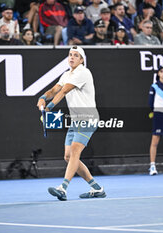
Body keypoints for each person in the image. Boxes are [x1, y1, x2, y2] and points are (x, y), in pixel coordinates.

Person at [36, 46, 106, 201]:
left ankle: (63, 188)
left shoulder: (83, 72)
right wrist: (42, 97)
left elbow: (64, 91)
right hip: (75, 120)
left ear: (81, 60)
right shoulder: (66, 74)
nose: (72, 58)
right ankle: (97, 188)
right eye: (70, 55)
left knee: (75, 152)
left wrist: (49, 107)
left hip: (88, 117)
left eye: (76, 55)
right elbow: (55, 90)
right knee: (68, 156)